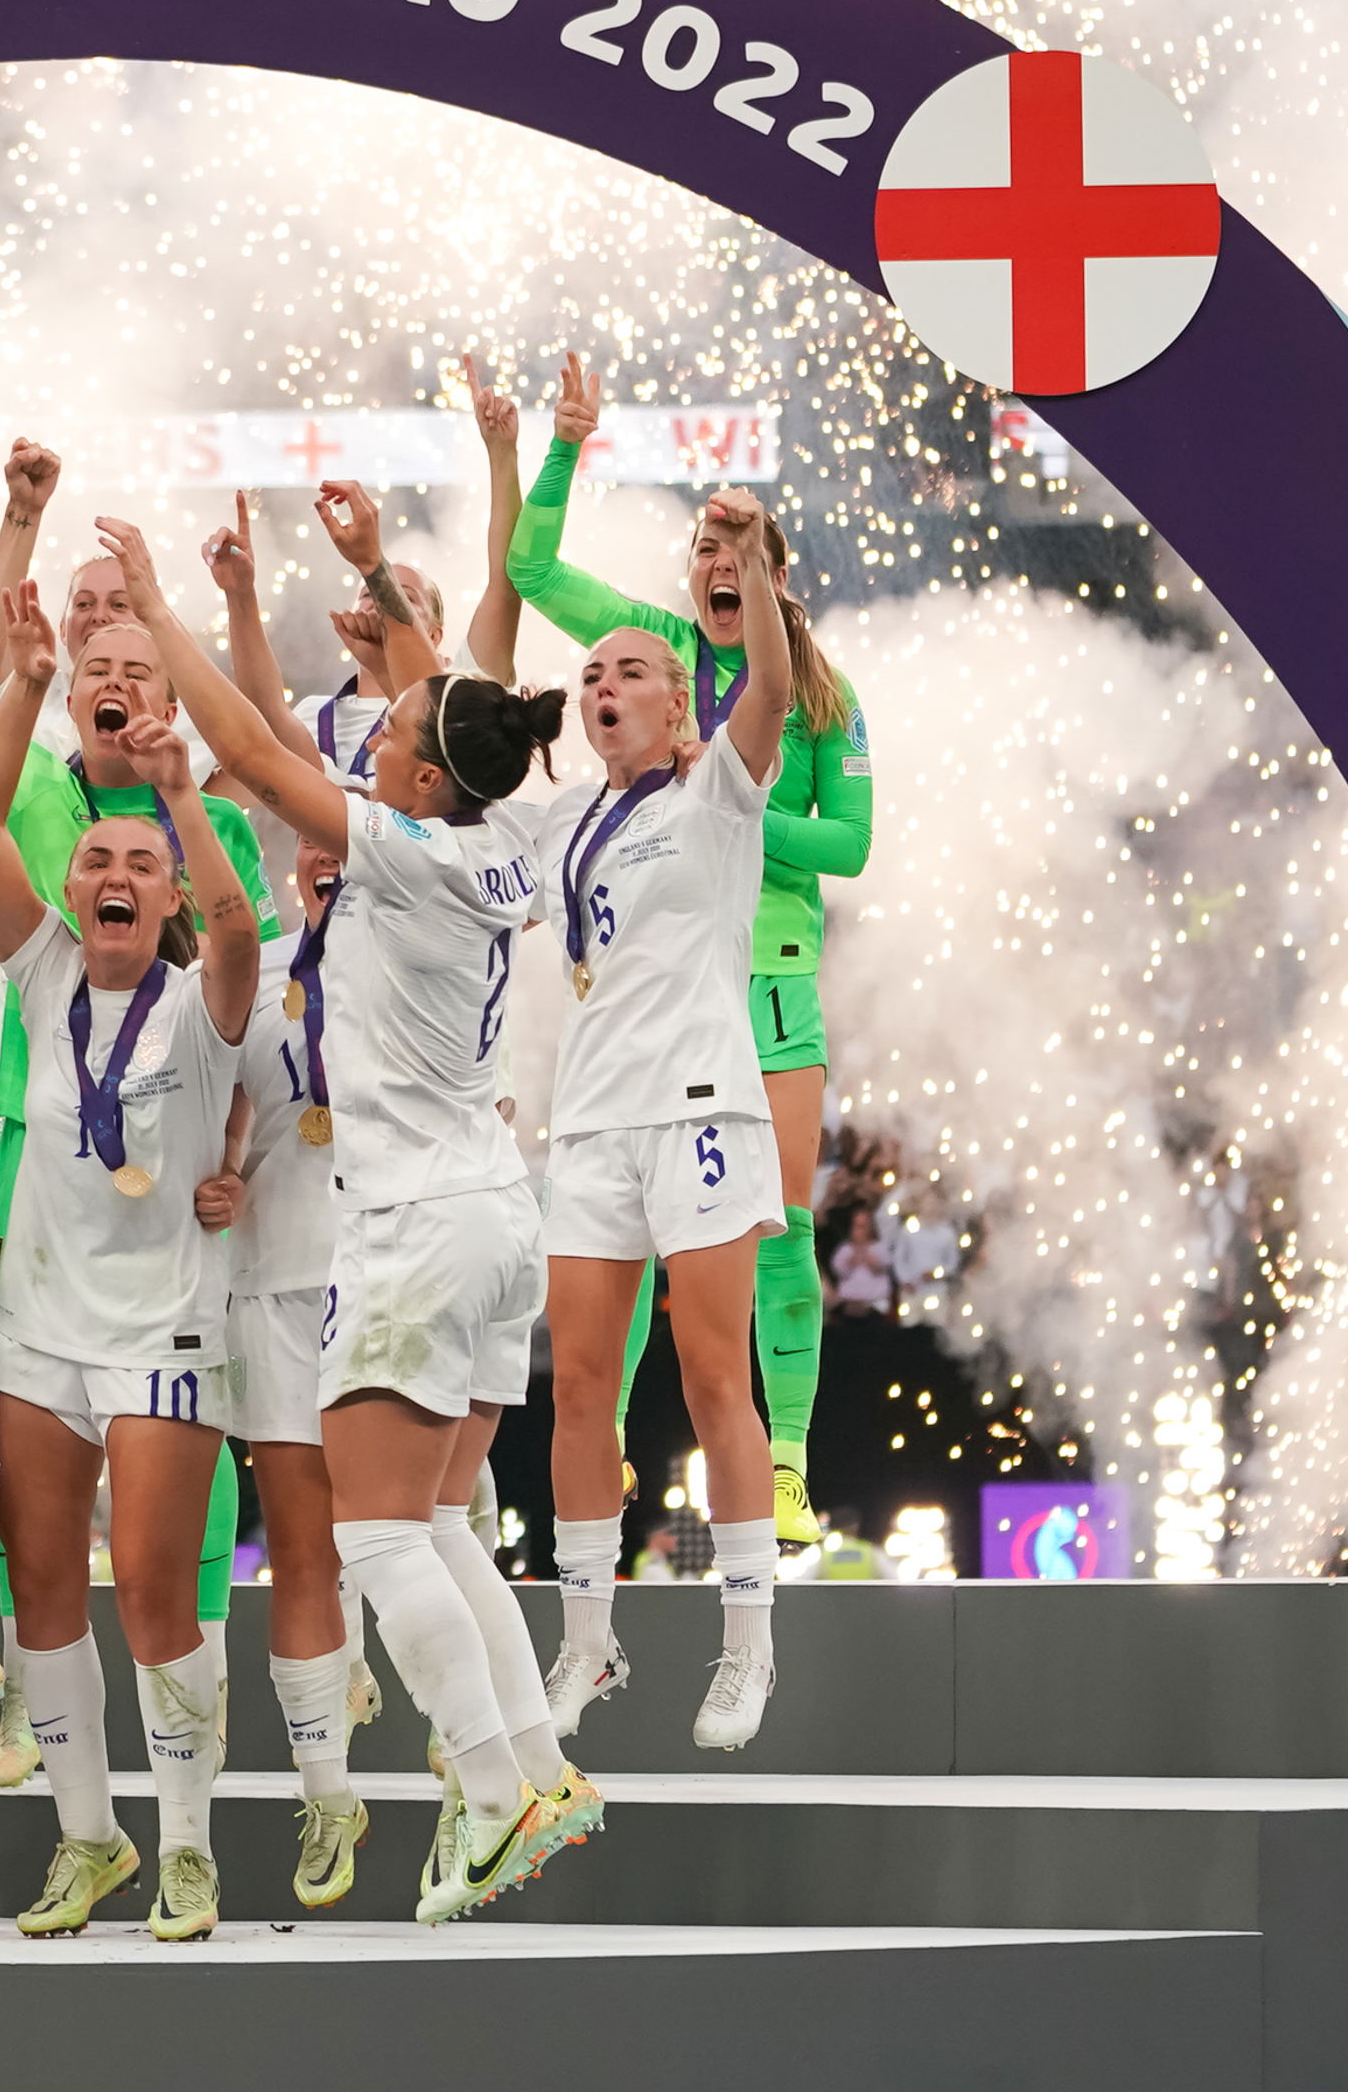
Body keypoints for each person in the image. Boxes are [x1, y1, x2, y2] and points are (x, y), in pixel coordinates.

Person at [102, 490, 594, 1924]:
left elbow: (253, 750)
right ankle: (539, 1768)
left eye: (385, 742)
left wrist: (154, 607)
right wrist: (381, 579)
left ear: (431, 785)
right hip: (499, 1208)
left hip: (419, 1220)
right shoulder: (507, 824)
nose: (367, 741)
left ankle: (493, 1797)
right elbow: (451, 697)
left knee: (378, 1540)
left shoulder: (411, 848)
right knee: (436, 1530)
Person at [0, 431, 273, 1784]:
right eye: (92, 670)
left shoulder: (213, 863)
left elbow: (248, 973)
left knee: (165, 1575)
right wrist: (15, 646)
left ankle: (189, 1803)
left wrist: (240, 1158)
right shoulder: (44, 850)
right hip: (31, 1179)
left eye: (138, 669)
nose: (108, 872)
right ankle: (65, 1801)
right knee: (27, 1538)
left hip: (169, 1215)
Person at [507, 353, 873, 1554]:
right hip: (670, 990)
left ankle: (788, 1465)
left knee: (780, 1237)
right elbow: (531, 570)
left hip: (772, 986)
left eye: (738, 562)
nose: (716, 576)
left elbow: (852, 845)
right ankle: (600, 1444)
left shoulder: (818, 699)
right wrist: (563, 442)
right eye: (704, 564)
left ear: (769, 576)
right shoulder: (654, 651)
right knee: (615, 1240)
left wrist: (732, 802)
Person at [520, 494, 799, 1752]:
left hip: (700, 1110)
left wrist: (745, 566)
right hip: (589, 1127)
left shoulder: (717, 794)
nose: (604, 684)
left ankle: (747, 1649)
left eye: (630, 668)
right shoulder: (565, 822)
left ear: (680, 702)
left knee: (708, 1375)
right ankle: (588, 1641)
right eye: (591, 675)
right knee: (580, 1386)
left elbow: (777, 692)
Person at [221, 837, 372, 1906]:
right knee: (304, 1546)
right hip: (274, 1278)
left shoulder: (431, 957)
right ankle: (326, 1794)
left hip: (392, 1276)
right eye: (313, 840)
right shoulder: (254, 971)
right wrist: (217, 1181)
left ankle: (484, 1759)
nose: (328, 857)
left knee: (412, 1529)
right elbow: (216, 1125)